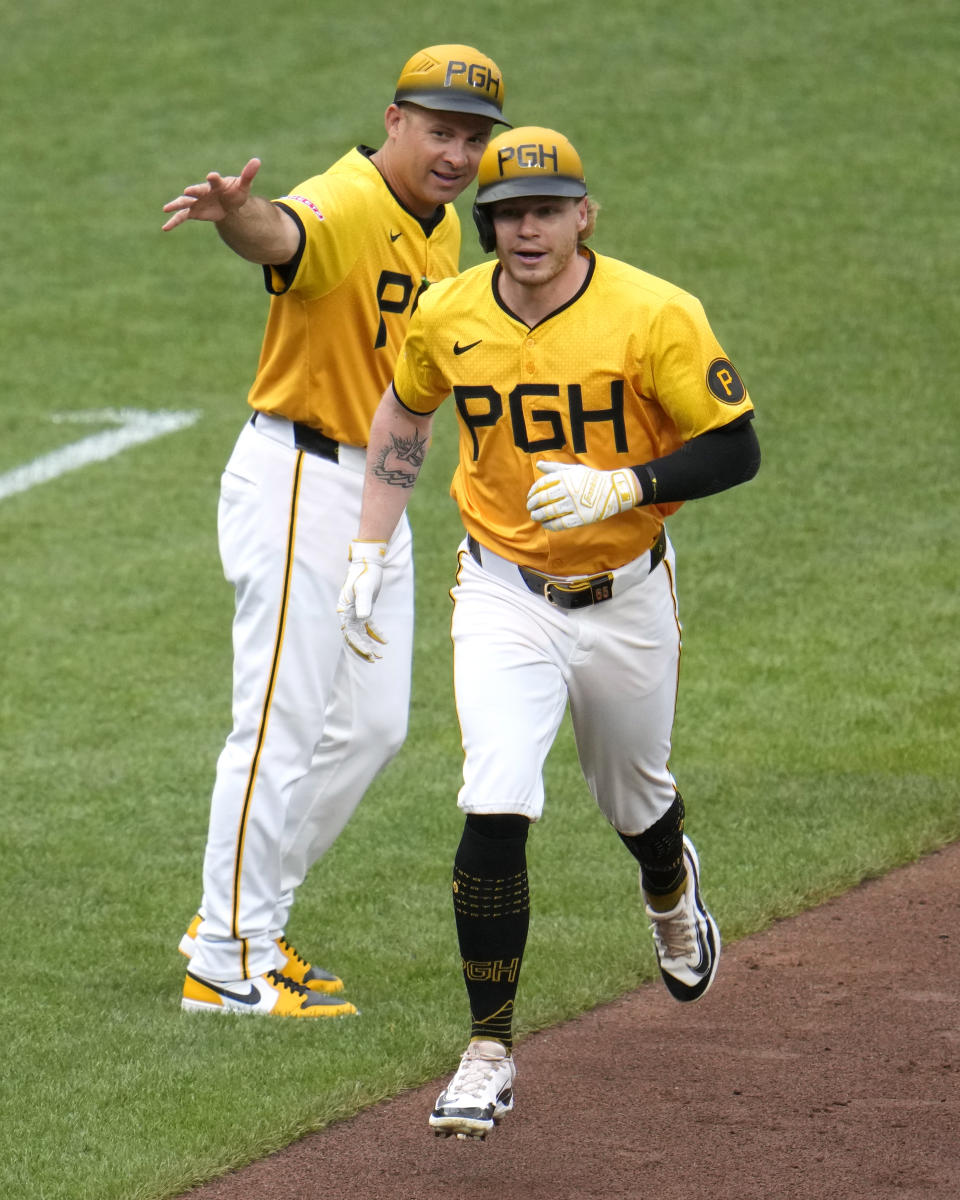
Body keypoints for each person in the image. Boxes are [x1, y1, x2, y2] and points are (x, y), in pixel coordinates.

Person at [338, 126, 760, 1127]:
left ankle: (669, 890)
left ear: (584, 215)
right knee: (495, 796)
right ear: (484, 225)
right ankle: (488, 1048)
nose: (527, 230)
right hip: (501, 592)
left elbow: (736, 448)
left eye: (546, 209)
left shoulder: (654, 313)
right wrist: (368, 546)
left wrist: (629, 483)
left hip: (626, 595)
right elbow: (404, 415)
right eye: (507, 214)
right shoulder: (449, 313)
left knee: (637, 802)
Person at [160, 45, 508, 1019]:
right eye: (441, 130)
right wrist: (238, 215)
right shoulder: (350, 200)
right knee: (275, 726)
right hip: (297, 480)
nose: (456, 152)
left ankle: (243, 920)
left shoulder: (438, 234)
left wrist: (376, 534)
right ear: (396, 119)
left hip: (369, 503)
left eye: (473, 137)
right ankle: (226, 962)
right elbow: (285, 235)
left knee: (370, 727)